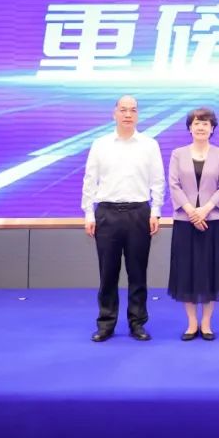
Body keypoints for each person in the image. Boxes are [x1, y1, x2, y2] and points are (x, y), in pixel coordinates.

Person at [81, 95, 164, 342]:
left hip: (139, 213)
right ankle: (106, 323)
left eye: (133, 110)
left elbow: (157, 180)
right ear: (114, 113)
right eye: (123, 110)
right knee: (108, 273)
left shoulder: (149, 145)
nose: (128, 114)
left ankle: (137, 323)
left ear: (138, 115)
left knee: (138, 272)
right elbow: (90, 180)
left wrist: (156, 211)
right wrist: (88, 212)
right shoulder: (100, 144)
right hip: (106, 213)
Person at [167, 107, 219, 341]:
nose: (201, 127)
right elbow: (174, 184)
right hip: (185, 221)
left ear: (212, 128)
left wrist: (204, 210)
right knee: (186, 271)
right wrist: (190, 211)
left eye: (205, 123)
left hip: (212, 220)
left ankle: (206, 323)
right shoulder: (178, 154)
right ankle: (191, 322)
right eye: (196, 123)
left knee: (210, 271)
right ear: (189, 128)